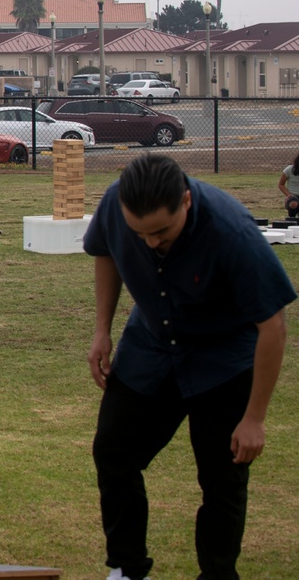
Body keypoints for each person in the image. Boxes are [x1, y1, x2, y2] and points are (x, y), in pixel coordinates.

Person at [84, 154, 295, 580]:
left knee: (223, 478)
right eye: (138, 232)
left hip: (222, 358)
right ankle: (126, 569)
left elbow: (272, 326)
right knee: (114, 452)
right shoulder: (115, 202)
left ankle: (216, 574)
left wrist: (254, 418)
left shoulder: (231, 230)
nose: (149, 243)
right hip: (150, 348)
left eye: (160, 232)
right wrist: (102, 329)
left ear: (185, 201)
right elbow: (105, 250)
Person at [276, 151, 299, 218]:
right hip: (293, 197)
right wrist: (289, 195)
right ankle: (291, 217)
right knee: (294, 203)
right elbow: (281, 184)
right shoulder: (289, 169)